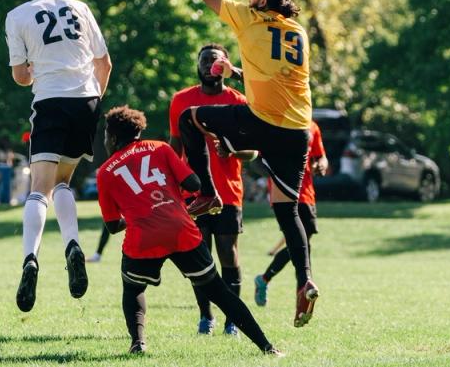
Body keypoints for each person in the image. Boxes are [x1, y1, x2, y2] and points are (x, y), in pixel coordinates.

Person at [161, 0, 318, 328]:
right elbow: (271, 75)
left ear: (263, 1)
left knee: (189, 118)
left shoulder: (248, 18)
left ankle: (208, 193)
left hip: (262, 121)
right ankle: (305, 281)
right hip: (299, 129)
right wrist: (234, 72)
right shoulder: (297, 32)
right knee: (290, 213)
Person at [97, 106, 282, 356]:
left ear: (113, 136)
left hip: (143, 238)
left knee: (133, 289)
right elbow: (193, 183)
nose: (106, 140)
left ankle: (138, 343)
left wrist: (141, 214)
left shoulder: (106, 171)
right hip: (180, 229)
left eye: (107, 134)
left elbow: (111, 225)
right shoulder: (161, 148)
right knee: (218, 291)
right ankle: (266, 347)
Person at [4, 0, 113, 312]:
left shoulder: (18, 15)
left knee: (39, 189)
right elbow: (104, 64)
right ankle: (73, 245)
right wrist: (94, 103)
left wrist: (35, 70)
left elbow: (21, 76)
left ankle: (30, 258)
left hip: (50, 100)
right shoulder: (81, 8)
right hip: (86, 100)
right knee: (64, 181)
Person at [168, 43, 249, 336]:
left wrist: (232, 151)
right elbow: (174, 149)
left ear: (225, 65)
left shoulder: (238, 101)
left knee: (227, 252)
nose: (208, 65)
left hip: (228, 190)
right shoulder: (181, 100)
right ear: (197, 66)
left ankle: (233, 320)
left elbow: (251, 148)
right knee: (200, 255)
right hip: (194, 193)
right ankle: (206, 316)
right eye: (204, 60)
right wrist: (171, 185)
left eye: (215, 60)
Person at [254, 120, 328, 306]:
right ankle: (300, 291)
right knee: (301, 242)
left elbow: (321, 156)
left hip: (307, 193)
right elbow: (258, 159)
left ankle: (266, 280)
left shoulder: (312, 127)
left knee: (304, 241)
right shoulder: (276, 123)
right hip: (283, 193)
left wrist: (321, 165)